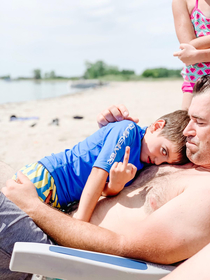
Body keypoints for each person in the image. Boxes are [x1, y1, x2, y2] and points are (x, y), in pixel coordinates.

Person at [3, 75, 210, 277]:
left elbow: (123, 246)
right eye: (190, 119)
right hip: (56, 212)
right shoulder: (184, 156)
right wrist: (109, 132)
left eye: (199, 122)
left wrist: (33, 206)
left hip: (58, 248)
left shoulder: (204, 193)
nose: (187, 131)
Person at [13, 110, 189, 222]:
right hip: (48, 178)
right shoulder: (128, 131)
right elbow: (98, 173)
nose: (158, 161)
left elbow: (104, 190)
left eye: (165, 162)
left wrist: (116, 185)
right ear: (157, 126)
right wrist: (80, 223)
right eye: (164, 151)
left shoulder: (142, 163)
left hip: (60, 198)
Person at [172, 0, 210, 110]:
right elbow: (188, 45)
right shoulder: (182, 2)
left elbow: (193, 49)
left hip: (195, 71)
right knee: (188, 124)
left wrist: (199, 55)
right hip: (195, 80)